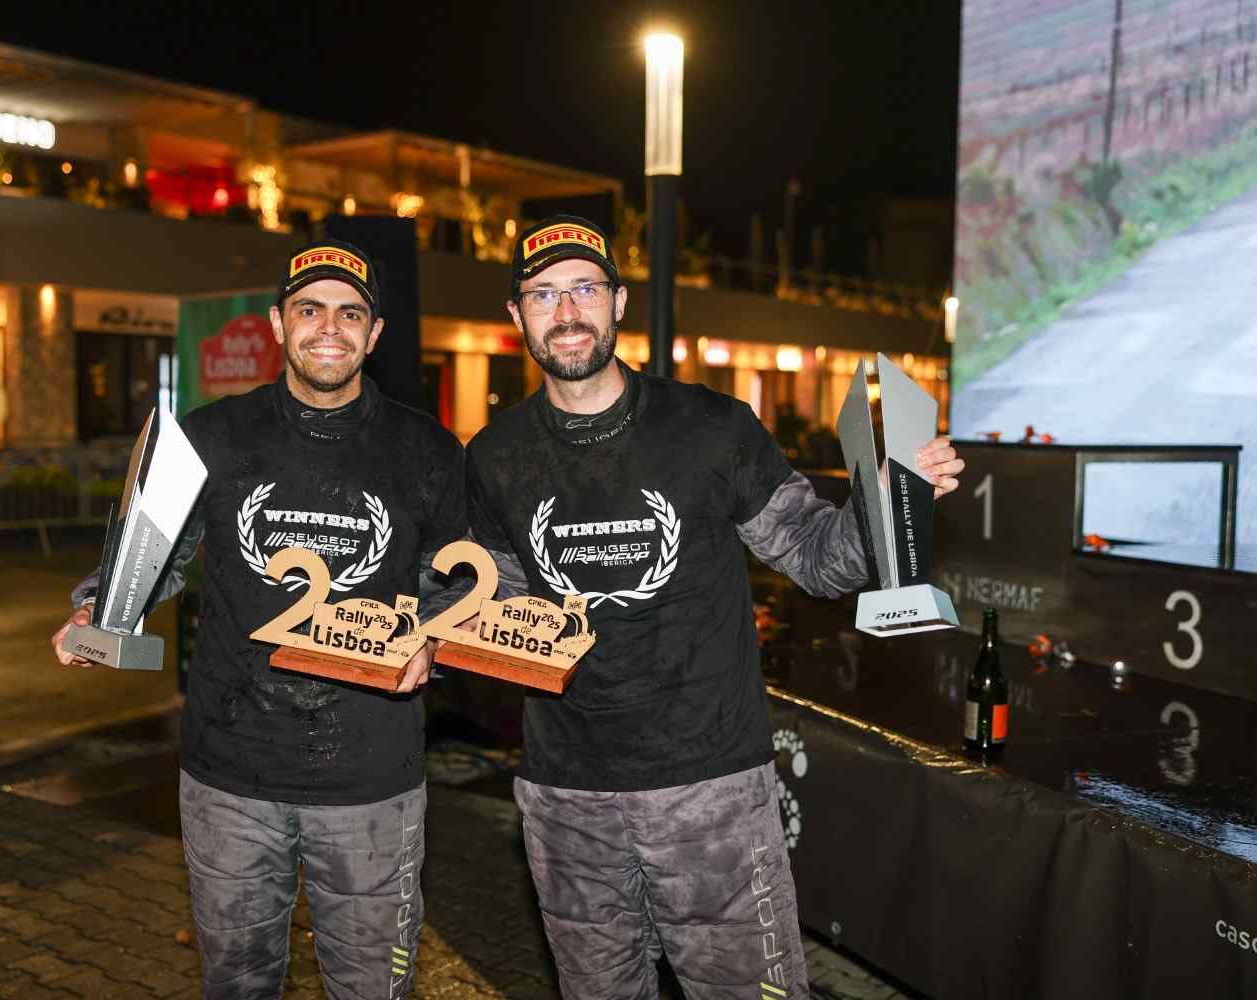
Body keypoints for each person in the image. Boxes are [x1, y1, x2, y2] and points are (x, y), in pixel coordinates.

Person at [463, 215, 965, 1000]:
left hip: (711, 792)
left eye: (585, 289)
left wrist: (889, 502)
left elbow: (816, 557)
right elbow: (493, 602)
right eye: (544, 294)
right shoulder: (494, 456)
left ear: (618, 301)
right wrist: (425, 622)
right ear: (517, 314)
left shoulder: (710, 427)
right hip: (567, 799)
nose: (566, 311)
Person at [52, 239, 467, 999]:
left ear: (375, 333)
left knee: (374, 987)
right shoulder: (212, 435)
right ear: (279, 323)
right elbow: (156, 552)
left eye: (350, 313)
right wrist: (99, 608)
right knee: (236, 983)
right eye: (310, 310)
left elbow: (458, 576)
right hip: (230, 772)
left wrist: (433, 641)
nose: (329, 328)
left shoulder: (429, 448)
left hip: (372, 774)